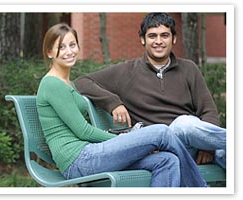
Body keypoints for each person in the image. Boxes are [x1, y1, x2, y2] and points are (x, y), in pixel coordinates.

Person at [36, 23, 207, 187]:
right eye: (61, 47)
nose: (69, 51)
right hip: (77, 160)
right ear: (50, 52)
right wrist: (125, 140)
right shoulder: (52, 84)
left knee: (167, 161)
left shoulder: (67, 83)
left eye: (72, 45)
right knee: (161, 132)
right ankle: (200, 190)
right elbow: (83, 131)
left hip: (88, 153)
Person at [74, 13, 226, 169]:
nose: (158, 41)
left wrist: (208, 146)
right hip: (161, 147)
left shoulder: (189, 69)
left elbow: (209, 111)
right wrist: (113, 103)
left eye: (164, 35)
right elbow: (82, 82)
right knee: (184, 123)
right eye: (152, 36)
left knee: (226, 153)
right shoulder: (127, 71)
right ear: (143, 40)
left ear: (173, 39)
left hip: (192, 146)